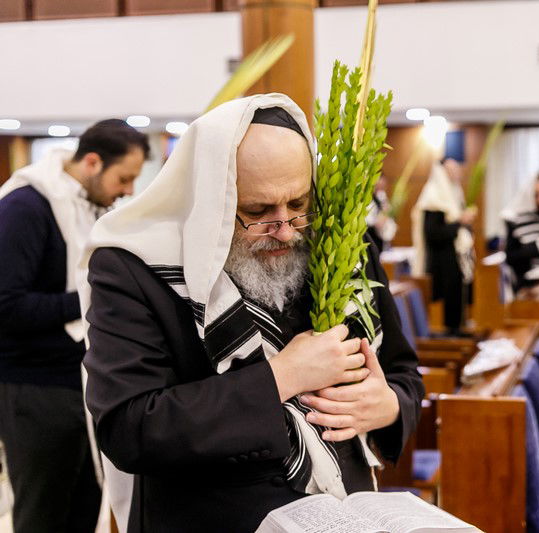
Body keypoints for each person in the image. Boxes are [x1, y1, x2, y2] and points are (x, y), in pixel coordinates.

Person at [79, 95, 423, 533]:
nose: (285, 229)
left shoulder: (346, 247)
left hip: (347, 511)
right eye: (257, 212)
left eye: (299, 204)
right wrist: (282, 377)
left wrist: (388, 406)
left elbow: (404, 372)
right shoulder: (132, 268)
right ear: (213, 201)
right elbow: (130, 428)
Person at [0, 119, 149, 533]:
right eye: (125, 178)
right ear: (92, 161)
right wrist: (91, 296)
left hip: (79, 383)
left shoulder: (88, 207)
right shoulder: (26, 207)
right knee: (44, 511)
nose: (128, 191)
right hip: (34, 387)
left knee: (85, 506)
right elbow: (6, 305)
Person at [412, 158, 477, 336]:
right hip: (442, 259)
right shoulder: (433, 195)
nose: (457, 174)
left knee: (459, 295)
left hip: (456, 257)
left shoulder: (454, 192)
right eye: (452, 170)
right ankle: (449, 333)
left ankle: (459, 327)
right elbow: (432, 233)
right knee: (446, 298)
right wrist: (459, 222)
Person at [366, 175, 397, 253]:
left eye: (382, 187)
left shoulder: (381, 197)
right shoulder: (367, 199)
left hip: (380, 238)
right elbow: (369, 220)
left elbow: (388, 216)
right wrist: (378, 221)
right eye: (378, 187)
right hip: (370, 236)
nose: (380, 190)